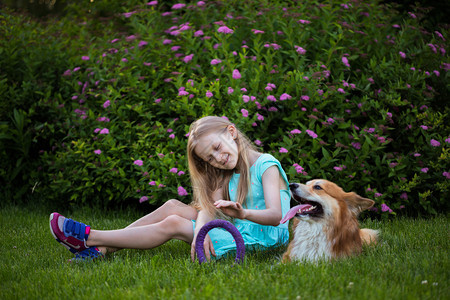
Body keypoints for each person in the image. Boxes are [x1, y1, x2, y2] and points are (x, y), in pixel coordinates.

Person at [49, 116, 291, 261]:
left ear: (231, 132)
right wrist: (199, 234)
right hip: (241, 225)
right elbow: (209, 209)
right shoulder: (225, 171)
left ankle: (90, 238)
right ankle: (101, 249)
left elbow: (277, 216)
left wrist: (243, 214)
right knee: (172, 206)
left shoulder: (266, 165)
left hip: (263, 236)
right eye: (210, 158)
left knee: (174, 223)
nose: (218, 158)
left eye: (217, 148)